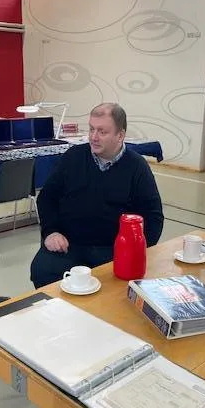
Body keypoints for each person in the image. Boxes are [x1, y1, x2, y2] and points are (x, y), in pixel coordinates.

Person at [30, 103, 164, 288]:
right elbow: (47, 198)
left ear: (120, 135)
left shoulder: (137, 167)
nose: (93, 137)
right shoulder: (73, 157)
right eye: (91, 129)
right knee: (43, 271)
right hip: (69, 244)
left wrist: (136, 253)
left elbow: (153, 217)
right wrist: (50, 232)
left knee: (114, 291)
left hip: (113, 250)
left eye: (102, 132)